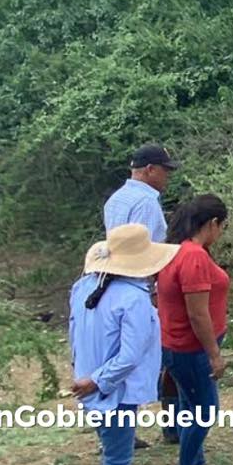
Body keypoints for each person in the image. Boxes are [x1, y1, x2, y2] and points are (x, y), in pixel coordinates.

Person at [69, 224, 180, 465]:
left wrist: (86, 376)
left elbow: (75, 337)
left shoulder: (82, 287)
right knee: (117, 464)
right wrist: (98, 380)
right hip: (113, 390)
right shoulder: (134, 299)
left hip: (89, 384)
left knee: (113, 457)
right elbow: (130, 355)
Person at [101, 143, 179, 447]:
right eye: (165, 171)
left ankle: (117, 428)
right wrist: (157, 290)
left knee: (116, 354)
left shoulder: (116, 199)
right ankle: (138, 428)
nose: (167, 177)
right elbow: (147, 251)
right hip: (137, 282)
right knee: (142, 357)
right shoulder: (147, 202)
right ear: (150, 170)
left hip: (111, 280)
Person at [158, 195, 233, 465]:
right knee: (205, 412)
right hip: (191, 348)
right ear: (212, 223)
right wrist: (214, 355)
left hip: (180, 345)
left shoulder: (175, 251)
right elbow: (197, 313)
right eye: (222, 226)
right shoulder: (193, 256)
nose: (221, 233)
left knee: (190, 407)